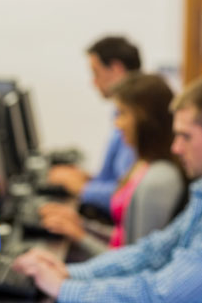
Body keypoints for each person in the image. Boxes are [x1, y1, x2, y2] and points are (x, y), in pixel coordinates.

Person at [13, 72, 202, 302]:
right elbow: (151, 252)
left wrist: (65, 288)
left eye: (186, 136)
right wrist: (70, 273)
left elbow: (159, 293)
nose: (176, 147)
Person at [40, 73, 186, 257]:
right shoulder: (143, 165)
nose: (117, 124)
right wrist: (80, 226)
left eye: (123, 114)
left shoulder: (159, 179)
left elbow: (137, 263)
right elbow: (124, 239)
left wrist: (81, 237)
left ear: (146, 119)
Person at [48, 36, 140, 215]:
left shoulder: (137, 120)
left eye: (96, 73)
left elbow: (130, 194)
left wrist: (83, 189)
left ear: (116, 69)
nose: (93, 82)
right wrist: (88, 179)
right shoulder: (121, 114)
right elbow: (119, 177)